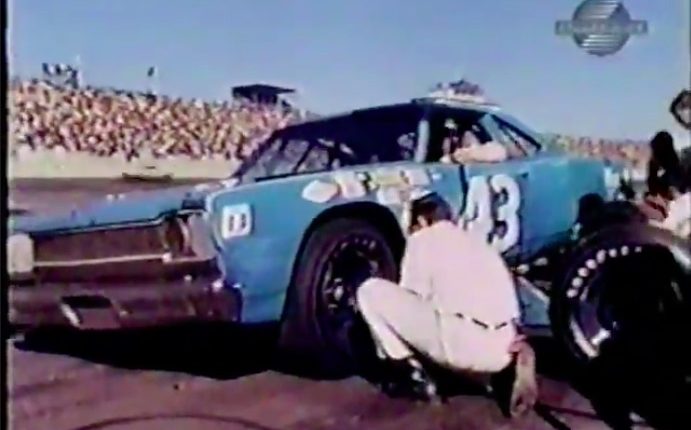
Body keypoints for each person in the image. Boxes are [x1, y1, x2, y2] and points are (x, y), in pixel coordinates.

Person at [356, 191, 538, 417]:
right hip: (503, 347)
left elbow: (413, 295)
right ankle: (499, 371)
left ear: (422, 219)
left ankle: (412, 374)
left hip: (460, 345)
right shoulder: (481, 244)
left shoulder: (423, 239)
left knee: (369, 290)